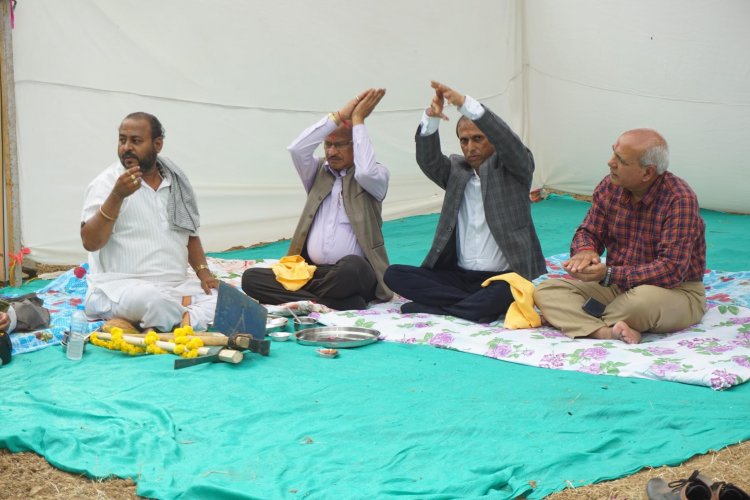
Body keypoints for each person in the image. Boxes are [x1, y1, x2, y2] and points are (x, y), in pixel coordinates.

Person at [384, 81, 546, 323]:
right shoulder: (457, 172)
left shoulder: (514, 170)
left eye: (478, 138)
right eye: (464, 140)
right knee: (393, 274)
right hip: (457, 276)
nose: (470, 147)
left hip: (502, 278)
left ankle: (442, 306)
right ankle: (467, 306)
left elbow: (509, 142)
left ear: (493, 140)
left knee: (505, 293)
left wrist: (466, 106)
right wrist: (431, 119)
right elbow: (427, 160)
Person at [533, 129, 707, 344]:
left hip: (672, 292)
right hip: (618, 287)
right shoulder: (610, 186)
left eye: (620, 160)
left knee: (640, 304)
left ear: (647, 173)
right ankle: (606, 331)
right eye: (613, 153)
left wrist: (609, 274)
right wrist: (585, 251)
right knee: (546, 291)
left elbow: (671, 270)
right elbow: (588, 231)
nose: (610, 162)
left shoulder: (679, 200)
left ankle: (580, 318)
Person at [242, 89, 393, 310]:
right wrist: (340, 116)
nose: (332, 152)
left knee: (351, 267)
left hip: (354, 274)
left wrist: (358, 121)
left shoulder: (375, 176)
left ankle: (309, 299)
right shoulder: (317, 172)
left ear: (357, 146)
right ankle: (325, 302)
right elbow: (296, 149)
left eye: (340, 144)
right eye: (328, 144)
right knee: (251, 278)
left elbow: (365, 172)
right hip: (310, 272)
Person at [80, 112, 218, 332]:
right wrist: (117, 196)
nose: (126, 147)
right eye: (122, 140)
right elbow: (90, 242)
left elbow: (190, 234)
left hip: (175, 286)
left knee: (227, 299)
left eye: (135, 141)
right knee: (154, 301)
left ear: (158, 144)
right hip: (121, 288)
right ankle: (178, 321)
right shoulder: (107, 183)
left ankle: (148, 324)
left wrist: (204, 274)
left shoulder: (177, 182)